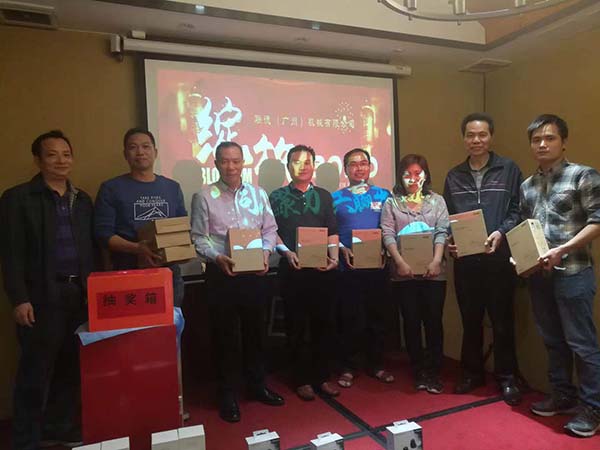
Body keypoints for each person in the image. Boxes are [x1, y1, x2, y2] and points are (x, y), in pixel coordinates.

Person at [0, 130, 95, 449]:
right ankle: (25, 439)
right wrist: (19, 299)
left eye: (66, 154)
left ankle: (60, 427)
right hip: (40, 297)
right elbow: (10, 254)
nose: (61, 161)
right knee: (35, 371)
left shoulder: (82, 200)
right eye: (52, 154)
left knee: (71, 367)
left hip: (78, 294)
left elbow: (90, 249)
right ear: (38, 160)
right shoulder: (18, 199)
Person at [190, 141, 284, 422]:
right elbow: (199, 238)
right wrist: (217, 257)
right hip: (222, 274)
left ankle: (257, 385)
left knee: (256, 333)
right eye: (224, 161)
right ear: (216, 164)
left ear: (243, 163)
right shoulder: (204, 196)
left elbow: (270, 229)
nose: (230, 166)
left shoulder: (258, 194)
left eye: (235, 161)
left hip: (255, 274)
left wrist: (265, 253)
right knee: (225, 337)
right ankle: (227, 393)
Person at [519, 114, 600, 437]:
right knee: (553, 340)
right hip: (539, 275)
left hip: (574, 273)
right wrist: (521, 257)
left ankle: (593, 408)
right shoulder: (527, 185)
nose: (542, 144)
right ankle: (563, 395)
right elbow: (527, 229)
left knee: (582, 343)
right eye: (536, 139)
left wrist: (562, 249)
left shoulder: (583, 175)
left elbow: (597, 220)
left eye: (549, 138)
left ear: (563, 142)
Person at [443, 112, 523, 405]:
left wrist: (501, 232)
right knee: (471, 320)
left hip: (499, 259)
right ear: (463, 138)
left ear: (491, 137)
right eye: (470, 135)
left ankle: (507, 377)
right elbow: (449, 217)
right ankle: (472, 373)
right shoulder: (454, 175)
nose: (476, 140)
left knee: (502, 321)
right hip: (466, 261)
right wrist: (450, 241)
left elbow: (517, 209)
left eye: (482, 135)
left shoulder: (509, 169)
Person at [269, 145, 340, 401]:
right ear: (288, 166)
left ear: (314, 165)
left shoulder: (324, 196)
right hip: (292, 270)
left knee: (324, 325)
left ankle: (322, 377)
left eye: (307, 162)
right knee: (296, 326)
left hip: (322, 271)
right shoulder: (276, 196)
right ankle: (301, 379)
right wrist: (286, 252)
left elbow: (332, 230)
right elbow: (271, 231)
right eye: (296, 162)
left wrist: (334, 257)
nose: (302, 166)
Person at [94, 128, 187, 306]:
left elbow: (182, 227)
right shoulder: (111, 188)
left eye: (146, 146)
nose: (140, 152)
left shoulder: (172, 187)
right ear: (125, 154)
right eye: (133, 147)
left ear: (155, 152)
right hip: (128, 271)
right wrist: (137, 248)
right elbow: (103, 234)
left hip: (168, 274)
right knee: (135, 323)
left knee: (170, 322)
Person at [381, 154, 449, 393]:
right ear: (400, 177)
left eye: (418, 173)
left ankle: (434, 371)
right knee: (411, 321)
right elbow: (387, 233)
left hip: (434, 272)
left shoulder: (437, 201)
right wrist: (399, 262)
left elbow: (442, 231)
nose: (413, 178)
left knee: (433, 321)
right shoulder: (392, 203)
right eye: (407, 174)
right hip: (404, 273)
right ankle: (418, 370)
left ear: (425, 175)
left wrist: (437, 260)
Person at [332, 148, 393, 388]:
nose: (359, 168)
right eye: (353, 164)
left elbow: (392, 226)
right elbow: (329, 231)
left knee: (378, 318)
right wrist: (341, 249)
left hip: (378, 266)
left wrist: (387, 249)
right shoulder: (335, 198)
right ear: (346, 169)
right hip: (348, 267)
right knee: (350, 318)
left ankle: (376, 364)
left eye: (363, 163)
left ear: (370, 167)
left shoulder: (384, 195)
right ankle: (349, 366)